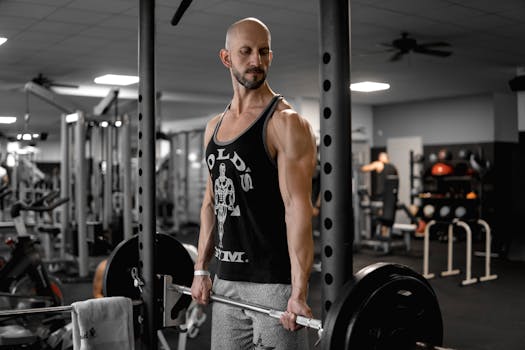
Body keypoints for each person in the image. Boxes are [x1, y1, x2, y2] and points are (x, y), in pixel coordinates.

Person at [190, 17, 317, 350]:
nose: (256, 61)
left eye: (263, 52)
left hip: (273, 283)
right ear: (226, 58)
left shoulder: (285, 122)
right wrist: (201, 269)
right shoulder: (213, 127)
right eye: (245, 52)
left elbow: (298, 209)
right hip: (226, 280)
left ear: (271, 56)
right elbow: (210, 202)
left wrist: (298, 292)